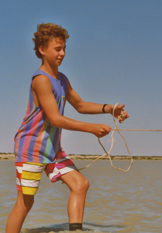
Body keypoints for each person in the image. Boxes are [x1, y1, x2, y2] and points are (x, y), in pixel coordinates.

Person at [6, 23, 129, 232]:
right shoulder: (41, 80)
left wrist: (110, 109)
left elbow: (80, 105)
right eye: (57, 49)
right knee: (25, 203)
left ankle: (75, 230)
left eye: (64, 49)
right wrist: (91, 128)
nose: (62, 53)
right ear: (42, 50)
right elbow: (55, 119)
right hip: (31, 150)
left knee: (80, 184)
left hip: (52, 149)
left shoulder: (62, 79)